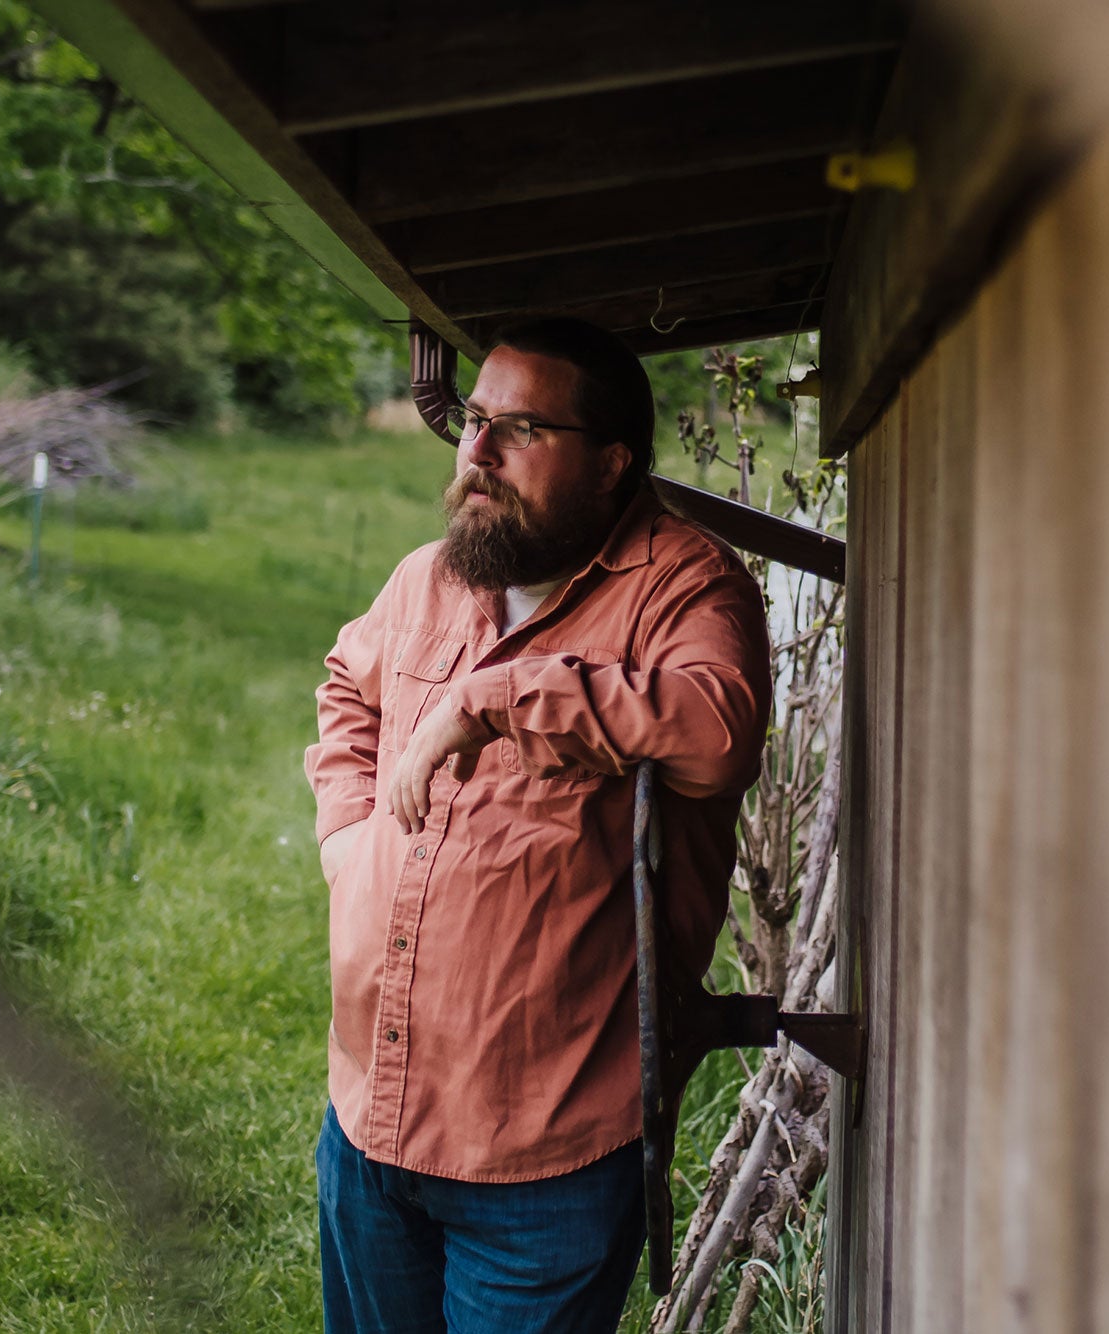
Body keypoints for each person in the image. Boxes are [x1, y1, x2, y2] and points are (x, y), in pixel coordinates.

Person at [303, 317, 772, 1333]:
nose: (475, 452)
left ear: (610, 463)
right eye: (472, 420)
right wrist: (347, 840)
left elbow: (715, 727)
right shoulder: (432, 575)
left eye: (519, 430)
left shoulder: (687, 588)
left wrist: (495, 699)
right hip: (369, 1121)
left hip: (543, 1159)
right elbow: (346, 686)